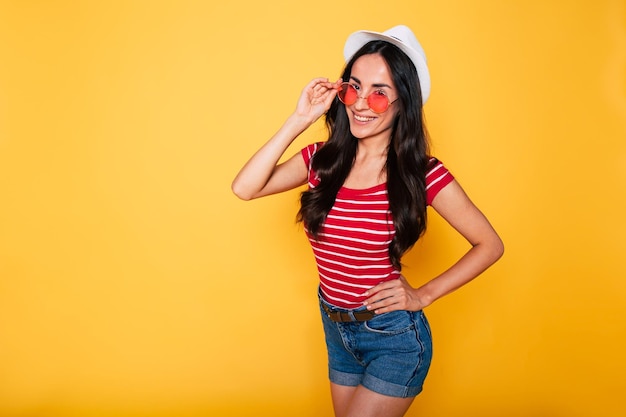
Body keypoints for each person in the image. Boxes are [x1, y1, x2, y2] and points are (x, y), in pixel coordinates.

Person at [231, 25, 504, 417]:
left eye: (380, 93)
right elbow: (245, 188)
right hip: (335, 327)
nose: (360, 103)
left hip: (392, 338)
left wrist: (423, 295)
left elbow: (490, 245)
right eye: (353, 87)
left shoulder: (421, 173)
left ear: (402, 104)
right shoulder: (322, 160)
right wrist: (300, 118)